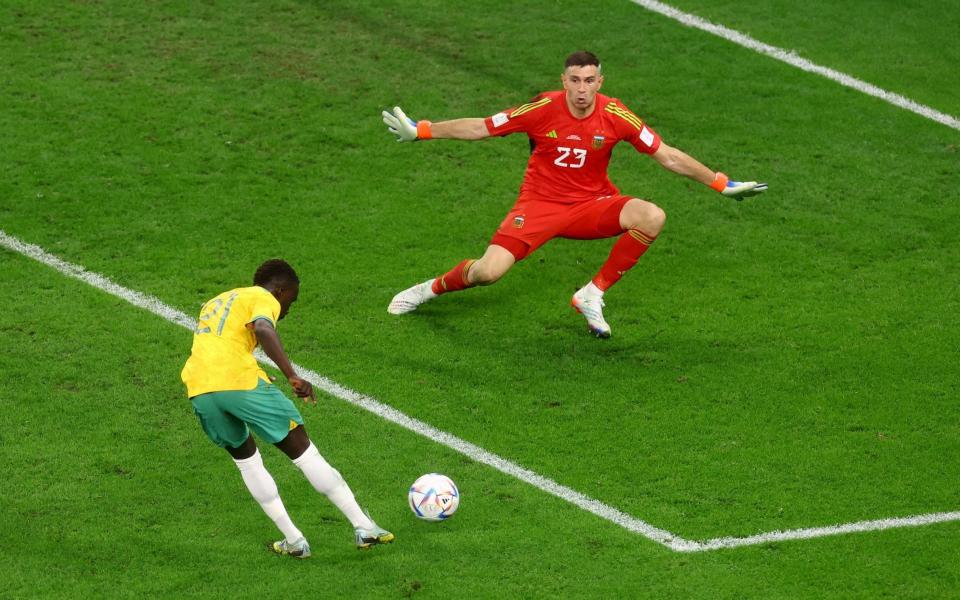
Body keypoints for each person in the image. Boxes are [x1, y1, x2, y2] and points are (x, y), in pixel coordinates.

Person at [382, 50, 767, 338]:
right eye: (575, 80)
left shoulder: (617, 114)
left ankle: (591, 294)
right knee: (488, 272)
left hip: (591, 205)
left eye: (589, 80)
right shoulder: (541, 108)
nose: (582, 89)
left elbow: (667, 156)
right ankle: (428, 289)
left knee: (652, 215)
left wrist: (720, 182)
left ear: (600, 82)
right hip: (539, 206)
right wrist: (423, 130)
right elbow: (482, 127)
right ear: (564, 81)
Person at [180, 258, 394, 557]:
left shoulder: (217, 301)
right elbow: (264, 328)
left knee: (247, 462)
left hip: (199, 388)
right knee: (304, 453)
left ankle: (294, 540)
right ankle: (364, 526)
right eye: (292, 299)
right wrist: (291, 375)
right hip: (239, 381)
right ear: (280, 290)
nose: (289, 308)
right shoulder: (262, 296)